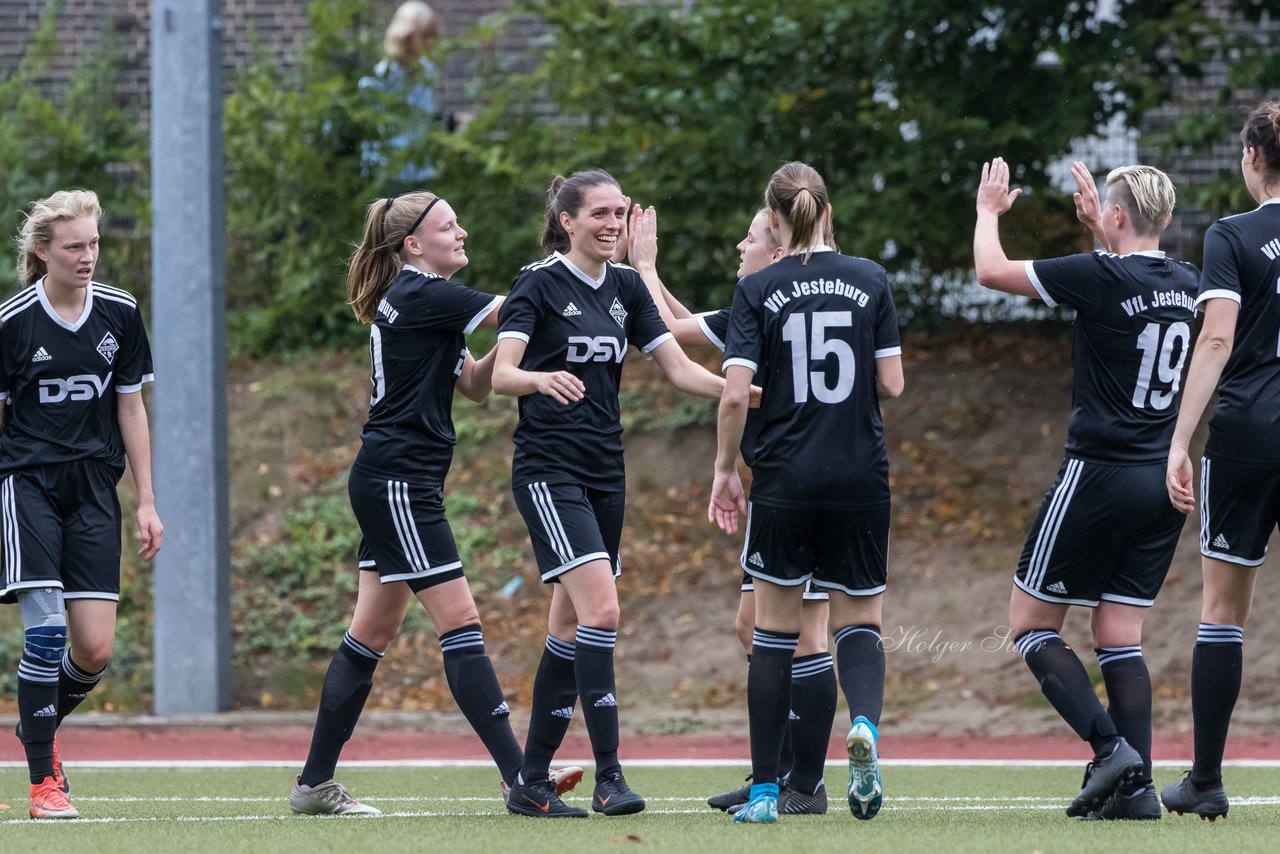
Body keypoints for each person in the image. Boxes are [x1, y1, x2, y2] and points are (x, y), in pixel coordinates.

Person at [289, 190, 581, 816]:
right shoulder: (423, 293)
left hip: (397, 480)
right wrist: (575, 270)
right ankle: (520, 780)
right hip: (398, 482)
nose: (463, 231)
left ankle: (314, 786)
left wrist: (524, 370)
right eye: (449, 226)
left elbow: (474, 386)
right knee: (462, 621)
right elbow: (518, 310)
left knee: (371, 630)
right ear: (413, 245)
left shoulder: (430, 303)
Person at [492, 169, 731, 819]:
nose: (612, 224)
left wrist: (743, 389)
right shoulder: (538, 283)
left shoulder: (626, 286)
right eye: (599, 213)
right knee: (602, 614)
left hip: (606, 474)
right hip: (549, 473)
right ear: (567, 220)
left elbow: (680, 368)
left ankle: (530, 780)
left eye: (619, 214)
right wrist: (540, 381)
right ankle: (608, 777)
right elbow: (502, 372)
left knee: (568, 627)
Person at [974, 158, 1198, 819]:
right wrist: (1104, 233)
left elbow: (991, 271)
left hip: (1099, 472)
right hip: (1164, 480)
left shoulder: (1099, 275)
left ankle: (1110, 750)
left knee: (1030, 623)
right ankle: (1139, 793)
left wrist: (989, 211)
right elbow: (1137, 293)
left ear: (1120, 216)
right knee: (1118, 631)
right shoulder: (1188, 282)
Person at [710, 162, 904, 824]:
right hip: (859, 475)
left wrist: (724, 468)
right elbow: (895, 383)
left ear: (773, 219)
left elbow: (736, 392)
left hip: (787, 476)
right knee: (859, 621)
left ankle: (767, 791)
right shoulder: (871, 278)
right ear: (827, 212)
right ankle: (867, 730)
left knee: (772, 632)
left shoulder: (758, 288)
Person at [628, 206, 834, 815]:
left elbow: (669, 331)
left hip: (801, 483)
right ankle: (781, 767)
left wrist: (642, 266)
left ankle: (805, 782)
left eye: (748, 239)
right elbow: (682, 325)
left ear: (775, 252)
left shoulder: (770, 304)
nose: (738, 249)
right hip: (785, 483)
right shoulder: (766, 303)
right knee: (754, 627)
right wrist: (649, 270)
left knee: (803, 635)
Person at [1, 189, 163, 820]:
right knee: (45, 632)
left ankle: (31, 726)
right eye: (74, 247)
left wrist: (147, 500)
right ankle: (45, 780)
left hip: (95, 488)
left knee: (93, 651)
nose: (88, 256)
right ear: (43, 253)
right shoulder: (13, 322)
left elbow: (130, 406)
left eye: (94, 243)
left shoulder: (120, 313)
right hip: (27, 482)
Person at [1161, 100, 1280, 822]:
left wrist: (1179, 438)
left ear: (1251, 159)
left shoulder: (1233, 234)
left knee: (1223, 611)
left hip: (1248, 434)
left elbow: (1214, 341)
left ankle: (1206, 780)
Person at [360, 1, 447, 189]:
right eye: (424, 35)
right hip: (389, 176)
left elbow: (426, 122)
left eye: (433, 35)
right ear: (406, 35)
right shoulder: (379, 79)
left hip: (423, 174)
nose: (430, 42)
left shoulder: (428, 72)